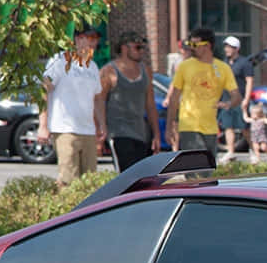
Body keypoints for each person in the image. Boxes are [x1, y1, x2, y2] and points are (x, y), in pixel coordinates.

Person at [39, 27, 103, 186]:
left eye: (96, 39)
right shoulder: (61, 60)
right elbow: (43, 90)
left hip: (88, 130)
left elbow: (95, 100)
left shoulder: (93, 66)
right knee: (68, 180)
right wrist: (43, 125)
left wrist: (100, 126)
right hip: (65, 129)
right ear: (78, 39)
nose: (93, 43)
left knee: (90, 183)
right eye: (90, 38)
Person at [165, 28, 240, 158]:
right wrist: (169, 127)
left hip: (211, 128)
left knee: (208, 172)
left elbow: (237, 96)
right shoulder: (184, 66)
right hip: (189, 126)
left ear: (207, 45)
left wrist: (228, 103)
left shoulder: (223, 68)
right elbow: (174, 98)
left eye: (195, 45)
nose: (191, 48)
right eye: (190, 45)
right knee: (196, 169)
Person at [95, 31, 159, 172]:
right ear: (124, 48)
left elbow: (150, 104)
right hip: (118, 133)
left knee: (143, 177)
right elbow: (99, 101)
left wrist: (156, 135)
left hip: (141, 133)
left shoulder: (146, 70)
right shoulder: (109, 71)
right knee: (126, 176)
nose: (142, 51)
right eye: (137, 47)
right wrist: (101, 128)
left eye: (143, 48)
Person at [219, 35, 255, 162]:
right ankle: (231, 152)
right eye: (226, 47)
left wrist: (246, 99)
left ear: (236, 48)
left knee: (244, 128)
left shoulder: (245, 63)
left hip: (240, 100)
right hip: (226, 100)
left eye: (229, 47)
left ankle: (253, 151)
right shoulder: (224, 63)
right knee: (228, 126)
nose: (226, 49)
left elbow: (249, 81)